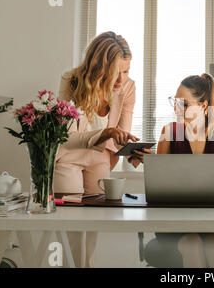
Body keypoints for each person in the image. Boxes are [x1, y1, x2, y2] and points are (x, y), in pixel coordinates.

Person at [53, 31, 150, 267]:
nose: (121, 78)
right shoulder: (71, 80)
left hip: (100, 159)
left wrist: (133, 149)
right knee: (71, 227)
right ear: (99, 67)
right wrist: (104, 133)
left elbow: (120, 136)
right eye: (115, 72)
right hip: (69, 158)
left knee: (93, 225)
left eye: (126, 71)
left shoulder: (128, 89)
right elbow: (65, 137)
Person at [138, 73, 214, 267]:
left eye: (184, 104)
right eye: (176, 102)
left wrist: (194, 189)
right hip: (177, 216)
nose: (178, 109)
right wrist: (151, 163)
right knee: (191, 243)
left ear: (203, 105)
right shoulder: (169, 132)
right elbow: (160, 184)